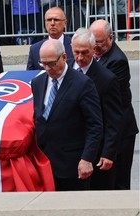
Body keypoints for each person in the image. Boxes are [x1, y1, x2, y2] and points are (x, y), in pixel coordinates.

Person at [31, 39, 103, 191]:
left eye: (51, 63)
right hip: (43, 162)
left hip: (71, 165)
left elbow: (94, 125)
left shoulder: (82, 84)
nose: (47, 68)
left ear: (63, 57)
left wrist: (87, 158)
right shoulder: (37, 83)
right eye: (43, 63)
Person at [68, 28, 123, 190]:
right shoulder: (66, 70)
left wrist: (108, 153)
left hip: (95, 150)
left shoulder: (107, 79)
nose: (79, 57)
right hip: (70, 148)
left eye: (85, 52)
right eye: (76, 52)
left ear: (93, 50)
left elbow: (113, 120)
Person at [89, 20, 139, 190]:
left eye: (99, 42)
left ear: (111, 38)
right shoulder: (94, 56)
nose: (95, 46)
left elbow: (105, 96)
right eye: (92, 41)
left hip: (121, 132)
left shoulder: (117, 61)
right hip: (105, 129)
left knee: (119, 182)